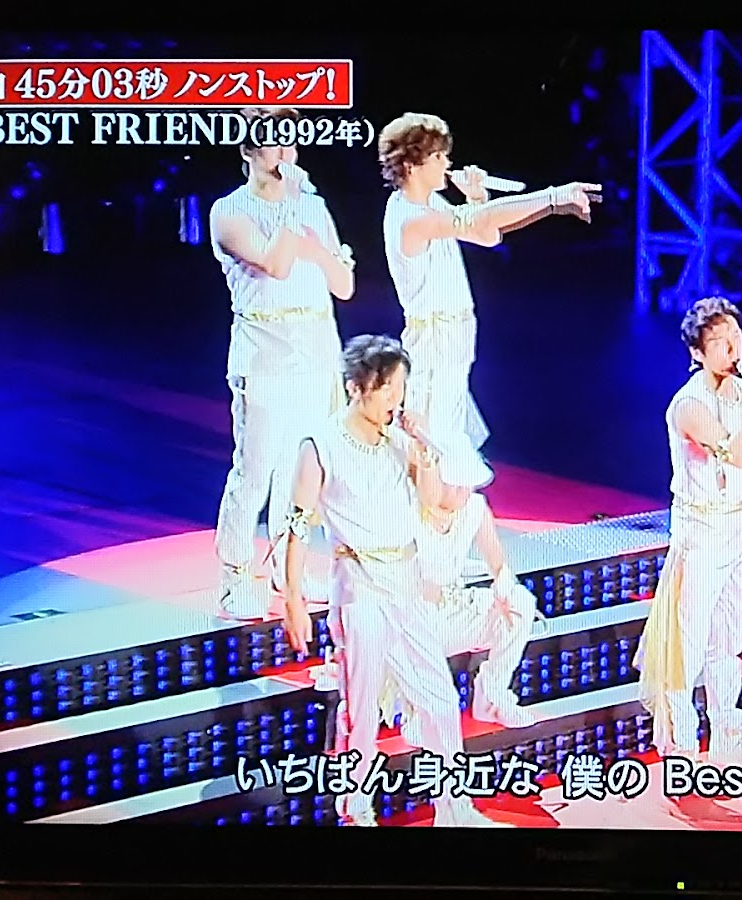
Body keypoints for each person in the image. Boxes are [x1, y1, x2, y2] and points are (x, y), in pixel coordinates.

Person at [281, 335, 503, 828]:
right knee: (361, 708)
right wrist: (293, 598)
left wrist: (425, 452)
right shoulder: (320, 445)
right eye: (386, 389)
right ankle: (355, 809)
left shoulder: (398, 441)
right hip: (358, 584)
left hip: (406, 581)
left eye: (400, 389)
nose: (395, 400)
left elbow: (433, 500)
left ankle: (454, 807)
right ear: (355, 387)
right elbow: (296, 526)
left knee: (439, 695)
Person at [635, 297, 742, 766]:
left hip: (734, 528)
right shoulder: (689, 405)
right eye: (719, 340)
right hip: (701, 532)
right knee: (689, 644)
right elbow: (738, 453)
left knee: (728, 639)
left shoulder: (734, 392)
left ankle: (729, 735)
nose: (732, 347)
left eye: (735, 335)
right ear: (697, 352)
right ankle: (681, 748)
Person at [377, 111, 601, 451]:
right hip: (434, 344)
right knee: (432, 444)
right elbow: (478, 223)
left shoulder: (429, 202)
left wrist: (476, 197)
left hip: (454, 338)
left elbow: (487, 235)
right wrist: (552, 197)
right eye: (438, 157)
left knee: (448, 438)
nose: (447, 163)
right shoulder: (409, 217)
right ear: (411, 166)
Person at [210, 106, 356, 619]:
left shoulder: (313, 207)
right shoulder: (229, 211)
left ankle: (286, 566)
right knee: (255, 469)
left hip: (316, 348)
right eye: (274, 142)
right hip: (265, 353)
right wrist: (298, 215)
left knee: (302, 470)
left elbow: (344, 285)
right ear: (249, 151)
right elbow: (275, 262)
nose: (286, 153)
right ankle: (235, 574)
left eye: (291, 142)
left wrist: (321, 247)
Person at [388, 433, 542, 745]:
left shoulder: (474, 507)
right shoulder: (407, 510)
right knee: (408, 625)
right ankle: (417, 714)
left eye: (467, 485)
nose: (463, 492)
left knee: (521, 603)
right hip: (412, 618)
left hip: (455, 608)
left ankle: (493, 695)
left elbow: (498, 563)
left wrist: (503, 590)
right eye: (455, 484)